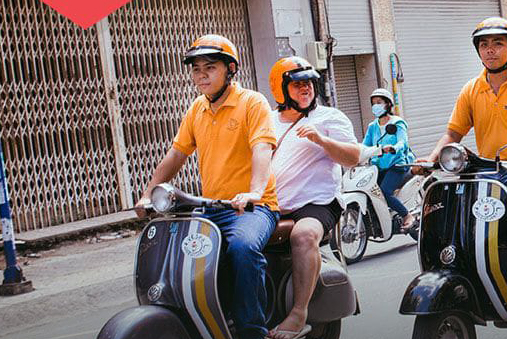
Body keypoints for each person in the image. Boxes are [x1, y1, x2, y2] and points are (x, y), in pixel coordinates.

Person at [135, 34, 278, 339]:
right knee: (179, 250)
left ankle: (253, 330)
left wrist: (253, 192)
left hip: (253, 208)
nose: (201, 74)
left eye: (210, 67)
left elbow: (262, 149)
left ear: (230, 69)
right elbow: (176, 154)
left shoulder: (252, 103)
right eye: (196, 68)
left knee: (242, 248)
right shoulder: (197, 109)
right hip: (212, 207)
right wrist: (148, 193)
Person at [416, 17, 507, 319]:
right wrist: (429, 159)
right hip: (488, 172)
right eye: (484, 44)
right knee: (452, 213)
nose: (490, 50)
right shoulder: (472, 89)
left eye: (497, 43)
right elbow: (453, 133)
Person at [265, 56, 363, 339]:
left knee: (304, 236)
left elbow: (353, 157)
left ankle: (298, 313)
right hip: (272, 204)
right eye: (296, 84)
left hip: (317, 204)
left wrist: (322, 140)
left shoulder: (329, 117)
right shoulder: (267, 120)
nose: (305, 88)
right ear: (281, 89)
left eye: (309, 83)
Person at [362, 88, 417, 231]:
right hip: (378, 167)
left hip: (397, 165)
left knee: (385, 191)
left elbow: (402, 142)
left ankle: (406, 215)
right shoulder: (372, 126)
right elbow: (364, 145)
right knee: (369, 190)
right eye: (373, 103)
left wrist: (394, 148)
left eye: (379, 102)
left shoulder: (397, 123)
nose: (376, 106)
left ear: (388, 104)